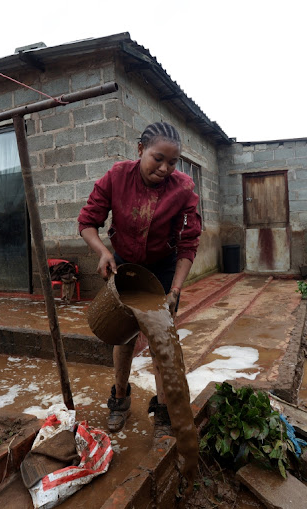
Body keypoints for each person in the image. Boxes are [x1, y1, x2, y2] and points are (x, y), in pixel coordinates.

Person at [78, 122, 202, 437]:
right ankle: (119, 399)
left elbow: (188, 240)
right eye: (157, 158)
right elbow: (88, 222)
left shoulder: (184, 190)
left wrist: (175, 289)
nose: (164, 168)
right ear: (140, 150)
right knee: (124, 335)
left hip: (162, 268)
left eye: (172, 163)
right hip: (123, 264)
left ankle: (162, 410)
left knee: (162, 337)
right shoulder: (116, 177)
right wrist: (102, 253)